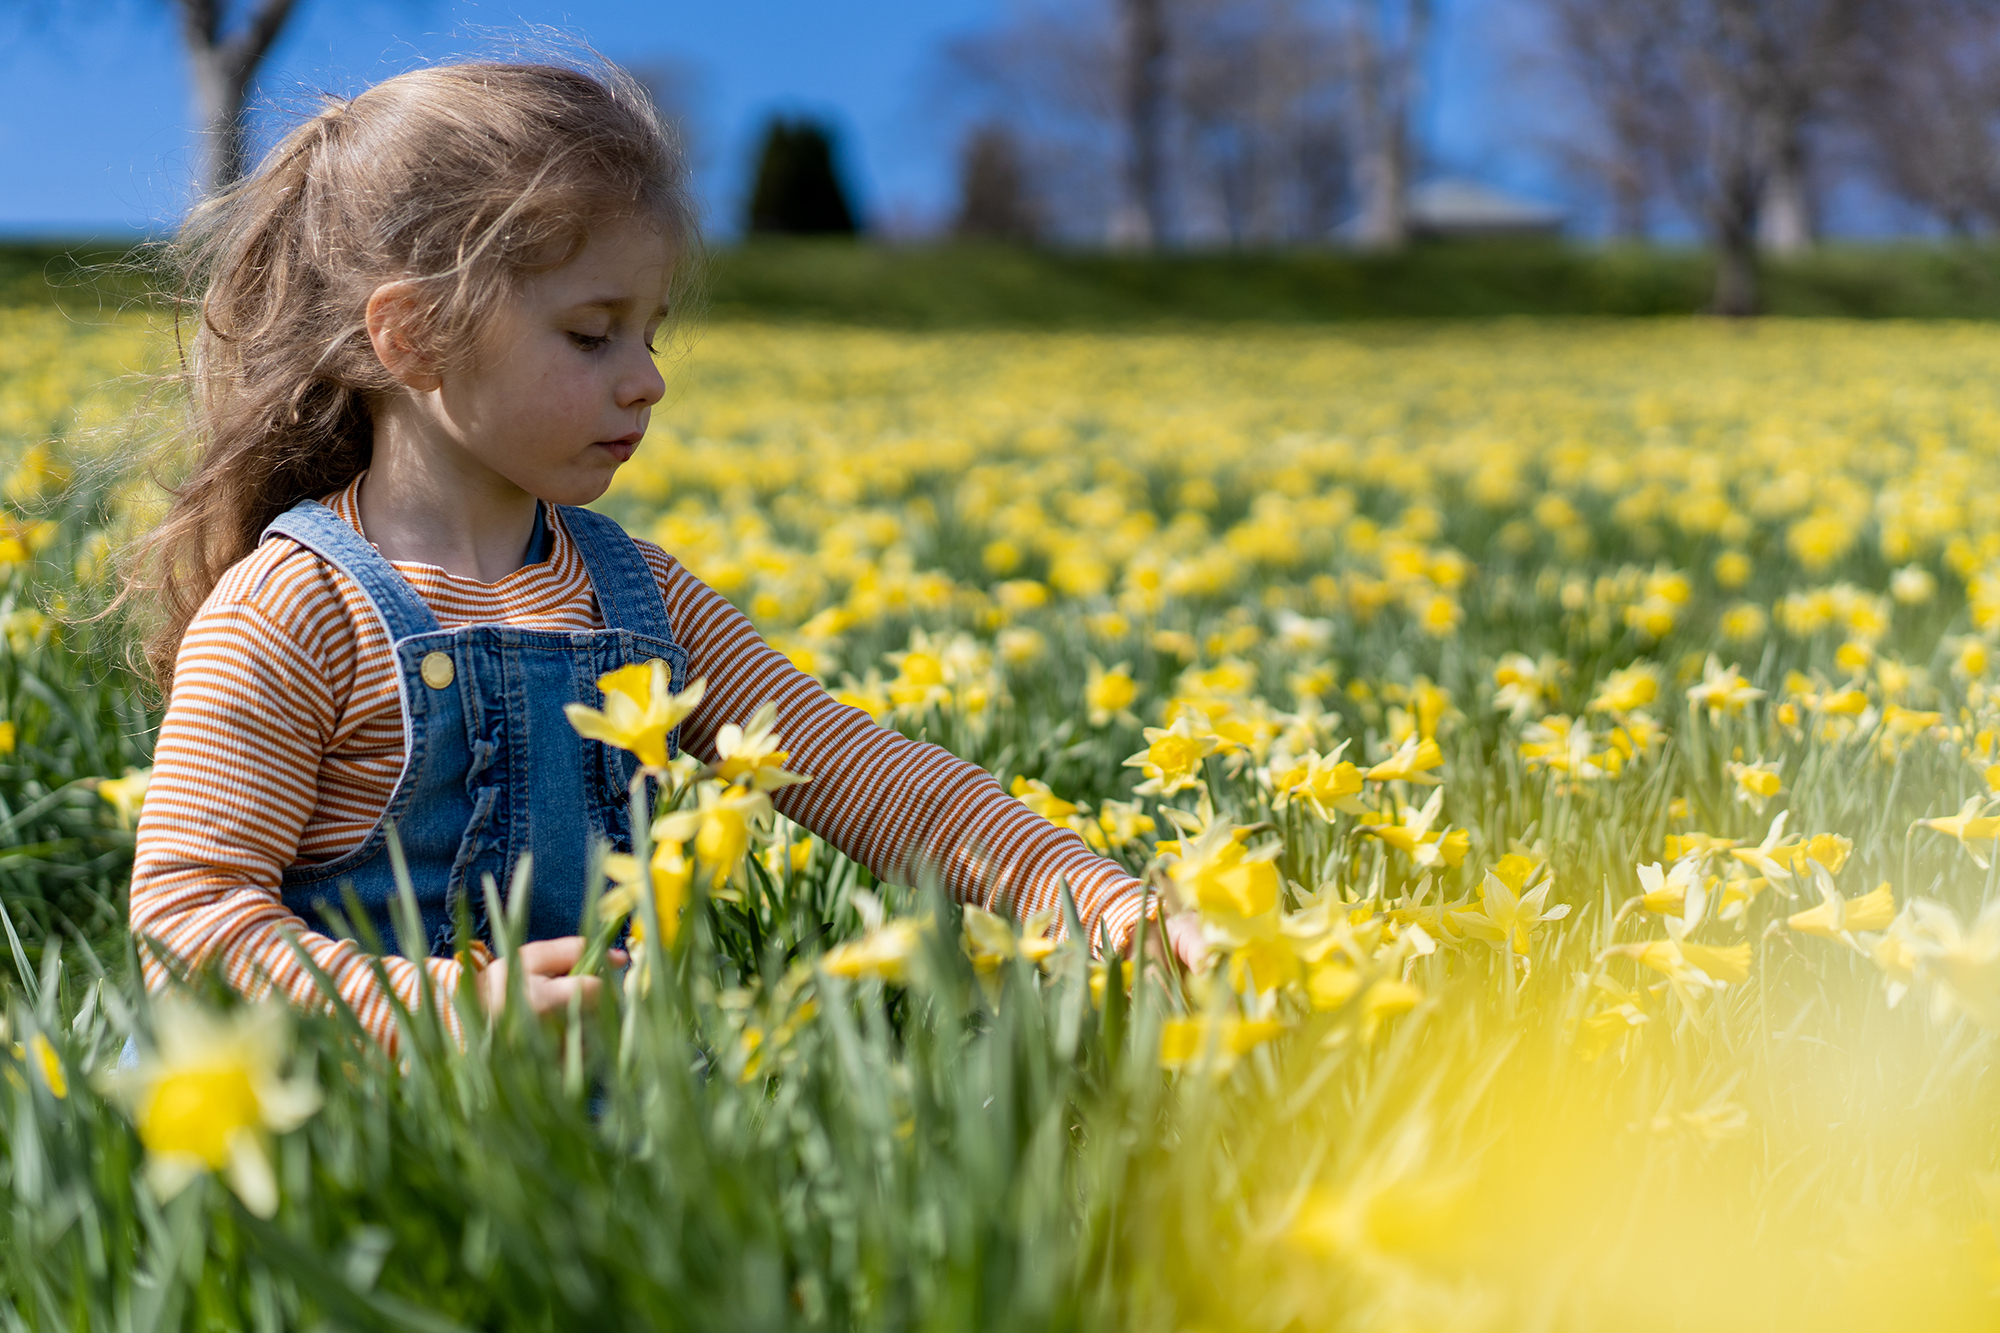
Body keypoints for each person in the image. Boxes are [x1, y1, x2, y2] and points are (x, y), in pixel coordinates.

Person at [126, 61, 1199, 1050]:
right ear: (412, 336)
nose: (646, 379)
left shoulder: (636, 599)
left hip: (597, 1122)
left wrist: (1105, 903)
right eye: (594, 334)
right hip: (343, 1131)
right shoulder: (292, 608)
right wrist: (442, 1006)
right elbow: (185, 920)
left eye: (653, 333)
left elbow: (870, 779)